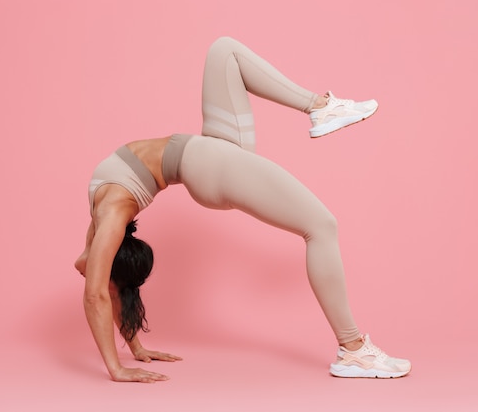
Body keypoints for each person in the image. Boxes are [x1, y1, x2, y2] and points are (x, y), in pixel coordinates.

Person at [74, 36, 411, 383]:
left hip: (212, 149)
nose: (86, 267)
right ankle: (352, 350)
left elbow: (101, 280)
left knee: (225, 51)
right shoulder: (111, 213)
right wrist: (116, 368)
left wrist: (135, 347)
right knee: (322, 226)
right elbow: (98, 293)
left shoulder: (100, 225)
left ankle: (320, 106)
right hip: (210, 166)